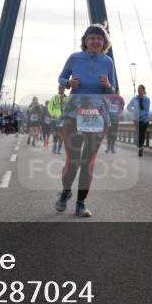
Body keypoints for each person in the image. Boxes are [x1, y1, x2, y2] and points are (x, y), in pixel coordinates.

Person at [55, 24, 117, 218]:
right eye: (92, 38)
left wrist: (107, 85)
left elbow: (113, 90)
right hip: (74, 113)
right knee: (73, 159)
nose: (95, 41)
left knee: (88, 161)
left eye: (99, 38)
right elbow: (61, 77)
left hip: (97, 115)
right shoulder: (74, 58)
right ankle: (65, 193)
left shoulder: (107, 62)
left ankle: (81, 203)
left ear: (104, 42)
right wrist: (68, 83)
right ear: (86, 41)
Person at [126, 85, 150, 157]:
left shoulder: (147, 99)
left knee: (142, 134)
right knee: (138, 134)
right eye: (138, 89)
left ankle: (141, 148)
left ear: (144, 90)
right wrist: (133, 111)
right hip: (136, 120)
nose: (139, 90)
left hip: (144, 120)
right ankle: (139, 145)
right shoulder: (134, 99)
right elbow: (128, 107)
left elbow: (146, 110)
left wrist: (139, 114)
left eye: (141, 89)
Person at [46, 85, 68, 154]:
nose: (61, 89)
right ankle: (54, 148)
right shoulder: (54, 98)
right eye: (60, 88)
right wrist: (52, 114)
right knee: (55, 134)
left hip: (63, 120)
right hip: (55, 119)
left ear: (64, 89)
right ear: (58, 89)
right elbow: (49, 107)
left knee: (61, 135)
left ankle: (58, 149)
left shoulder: (67, 98)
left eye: (63, 88)